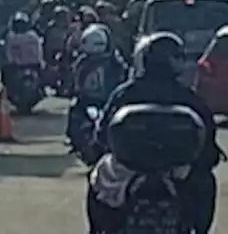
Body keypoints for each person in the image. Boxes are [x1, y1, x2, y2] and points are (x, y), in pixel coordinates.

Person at [88, 33, 221, 234]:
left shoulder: (125, 93)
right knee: (206, 181)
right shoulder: (188, 97)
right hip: (178, 173)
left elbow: (102, 135)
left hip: (129, 172)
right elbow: (208, 139)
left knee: (97, 178)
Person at [65, 23, 128, 145]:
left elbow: (76, 81)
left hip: (98, 100)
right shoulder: (114, 60)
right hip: (105, 100)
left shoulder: (85, 61)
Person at [2, 12, 44, 91]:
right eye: (18, 24)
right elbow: (8, 52)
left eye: (21, 24)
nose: (20, 26)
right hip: (17, 65)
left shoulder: (33, 35)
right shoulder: (10, 36)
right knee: (5, 69)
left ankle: (42, 86)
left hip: (32, 64)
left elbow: (39, 49)